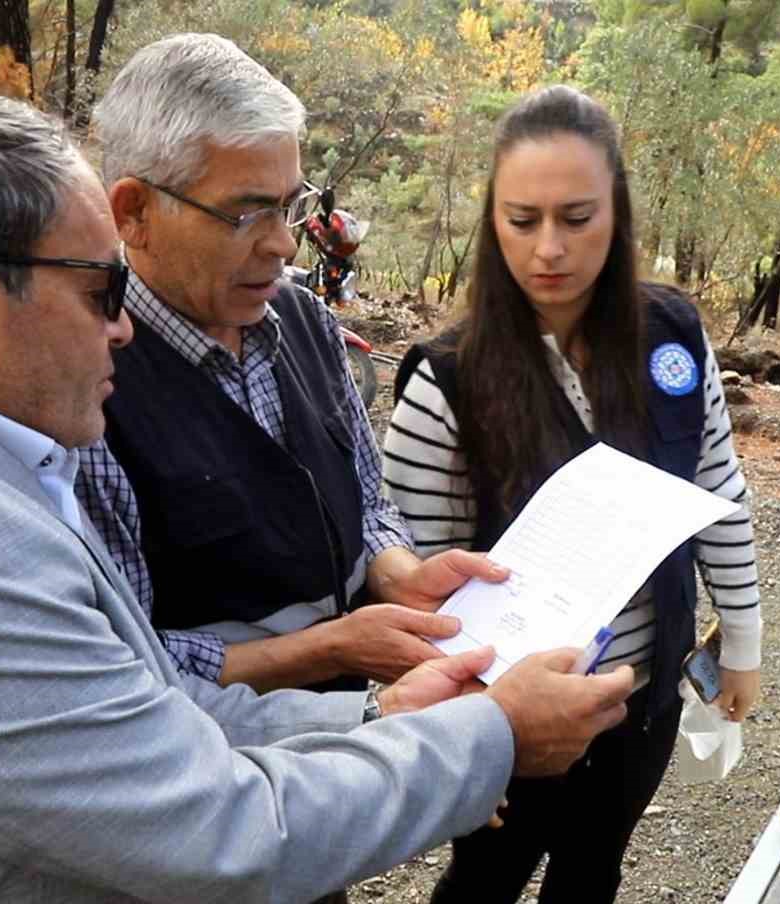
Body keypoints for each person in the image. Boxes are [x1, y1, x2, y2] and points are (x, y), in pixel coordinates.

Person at [0, 84, 637, 904]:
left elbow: (140, 718)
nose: (122, 330)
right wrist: (493, 737)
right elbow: (224, 835)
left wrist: (376, 716)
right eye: (103, 288)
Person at [383, 85, 765, 903]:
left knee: (593, 869)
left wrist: (742, 638)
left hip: (641, 697)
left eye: (577, 217)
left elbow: (717, 487)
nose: (548, 248)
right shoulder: (447, 380)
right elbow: (419, 577)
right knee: (486, 876)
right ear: (492, 221)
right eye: (523, 221)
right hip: (512, 714)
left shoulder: (672, 336)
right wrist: (462, 729)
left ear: (618, 212)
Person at [76, 33, 483, 695]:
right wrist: (326, 651)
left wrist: (399, 573)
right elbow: (124, 664)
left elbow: (369, 499)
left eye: (292, 205)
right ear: (135, 212)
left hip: (354, 740)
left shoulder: (304, 320)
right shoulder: (84, 390)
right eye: (245, 213)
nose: (284, 245)